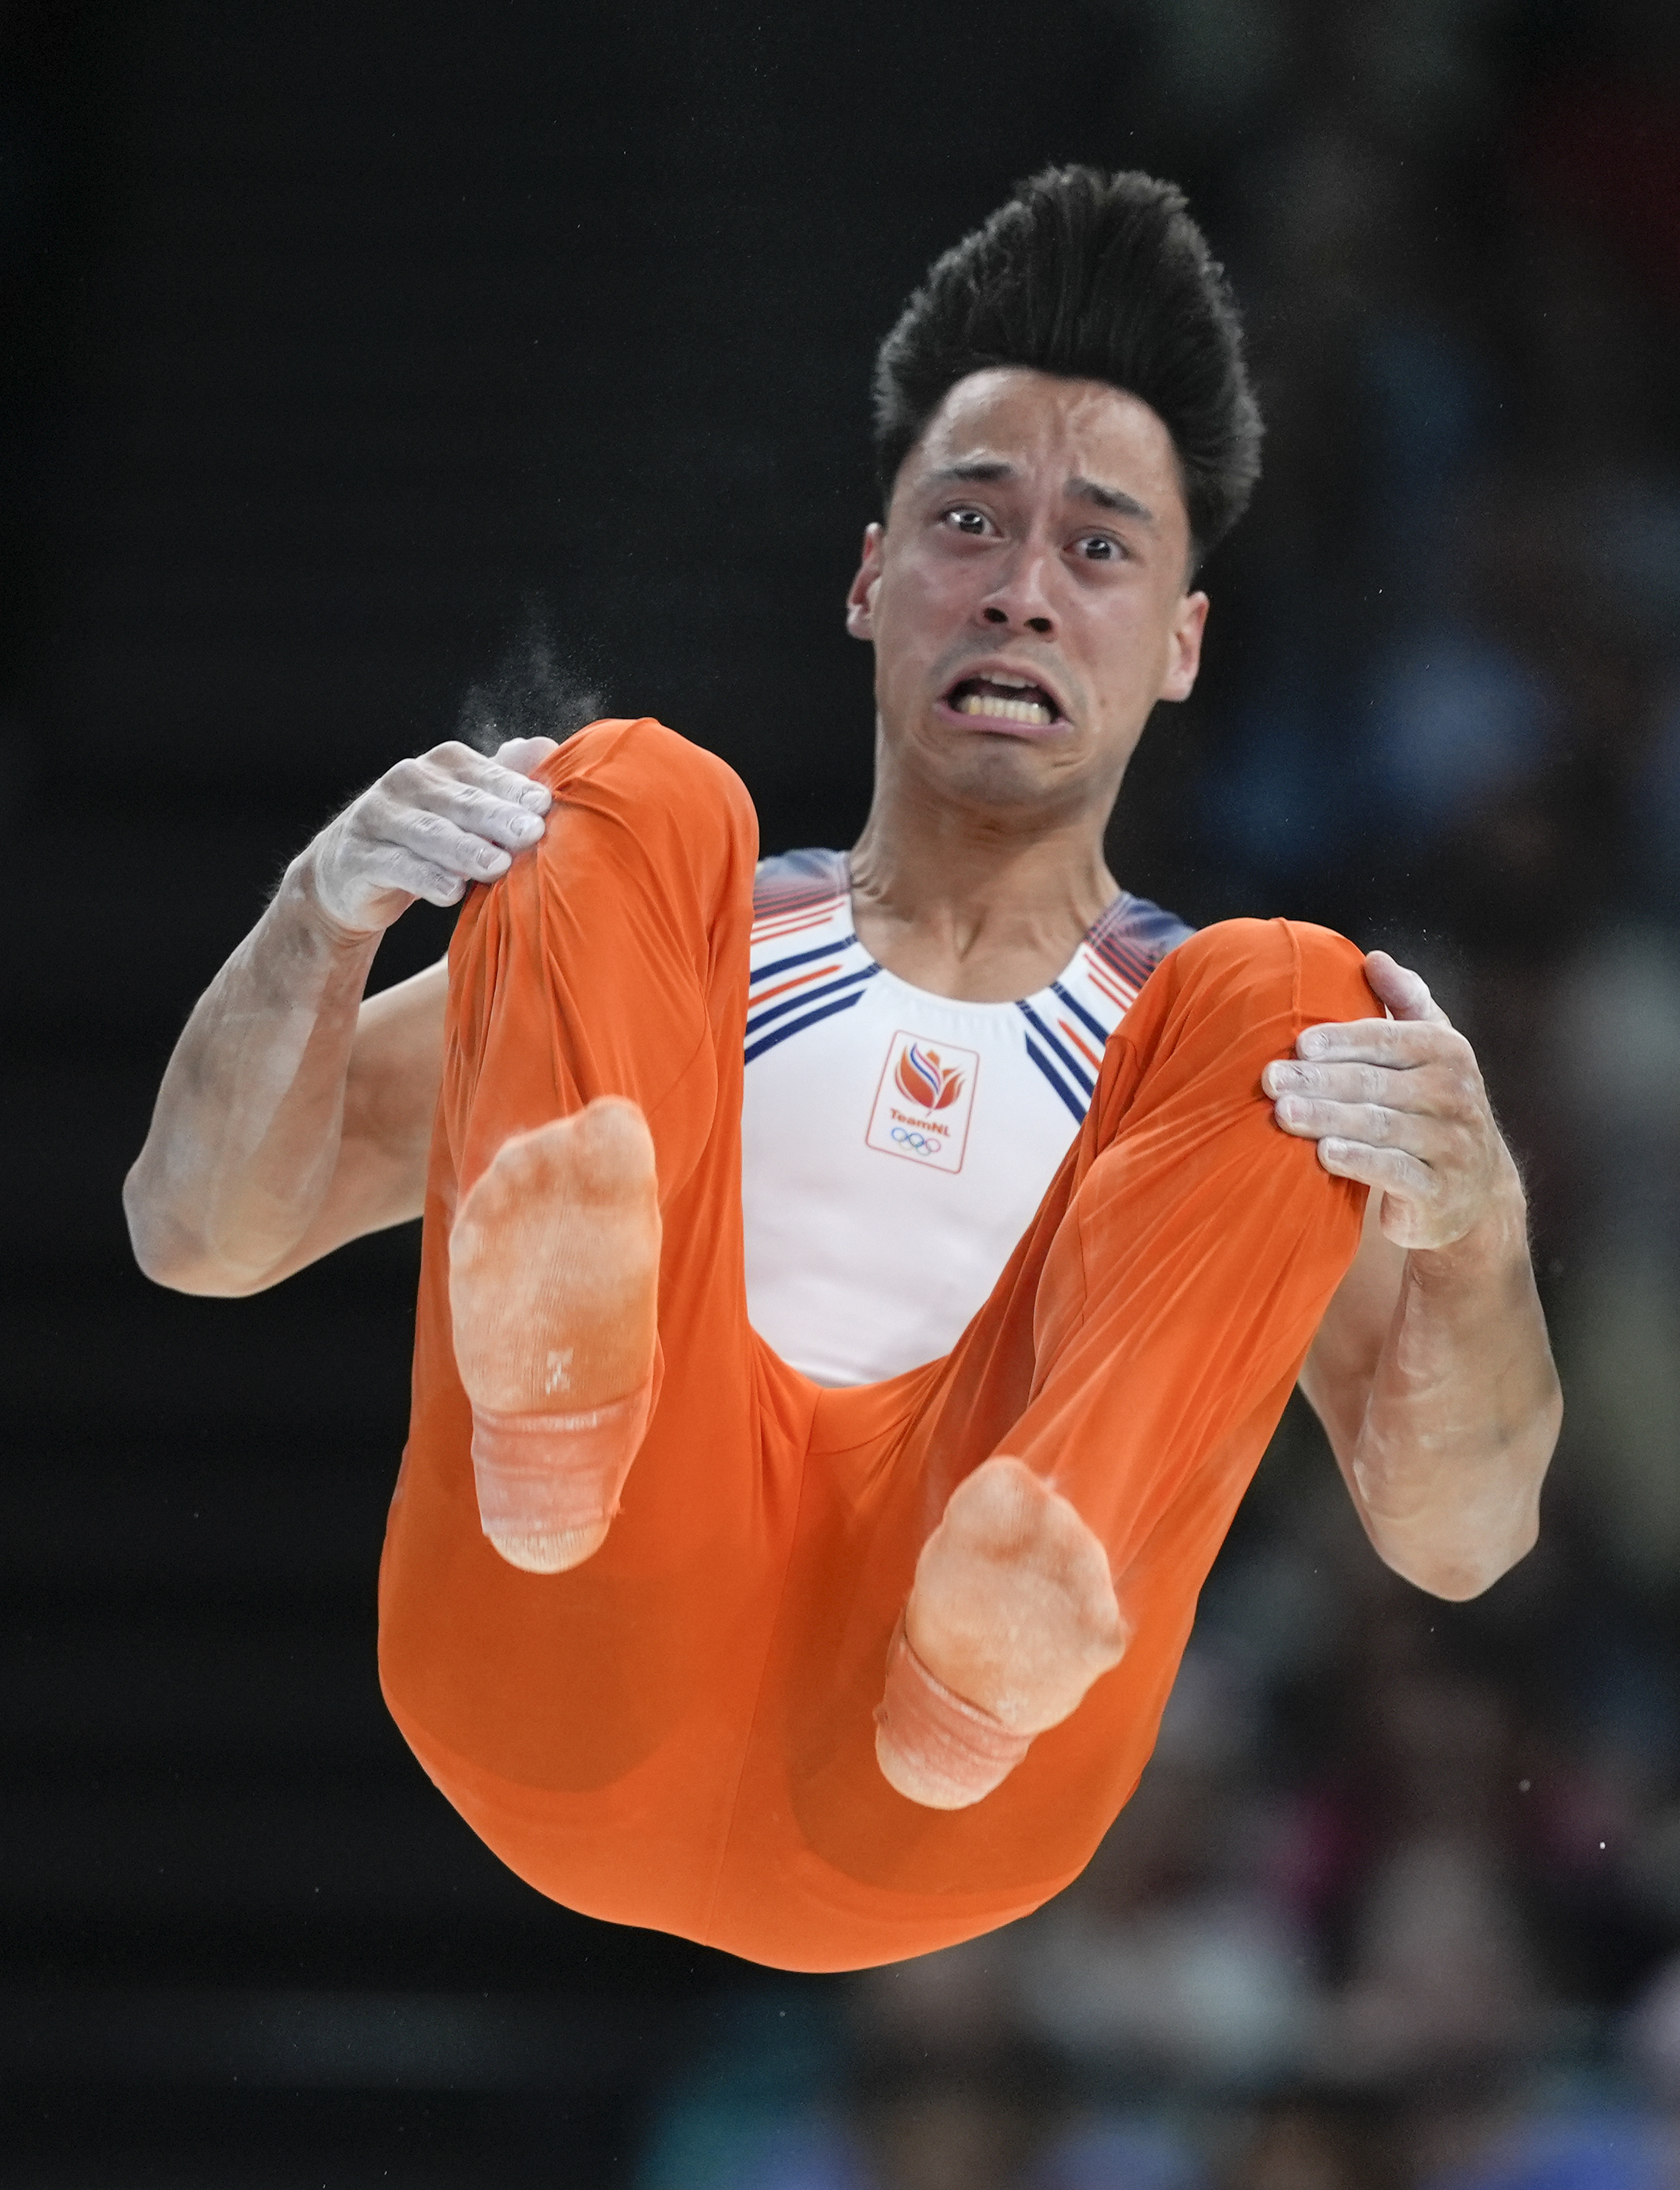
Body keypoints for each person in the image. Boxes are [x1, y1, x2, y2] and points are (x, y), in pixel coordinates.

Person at [119, 168, 1563, 1972]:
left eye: (1098, 548)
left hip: (949, 1784)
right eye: (970, 522)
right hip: (569, 1634)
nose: (1021, 593)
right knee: (622, 788)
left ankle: (1014, 1591)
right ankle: (562, 1426)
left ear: (1182, 641)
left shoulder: (1226, 1081)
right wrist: (321, 911)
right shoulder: (673, 946)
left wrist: (1475, 1220)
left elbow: (1459, 1533)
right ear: (872, 579)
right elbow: (198, 1231)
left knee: (1298, 994)